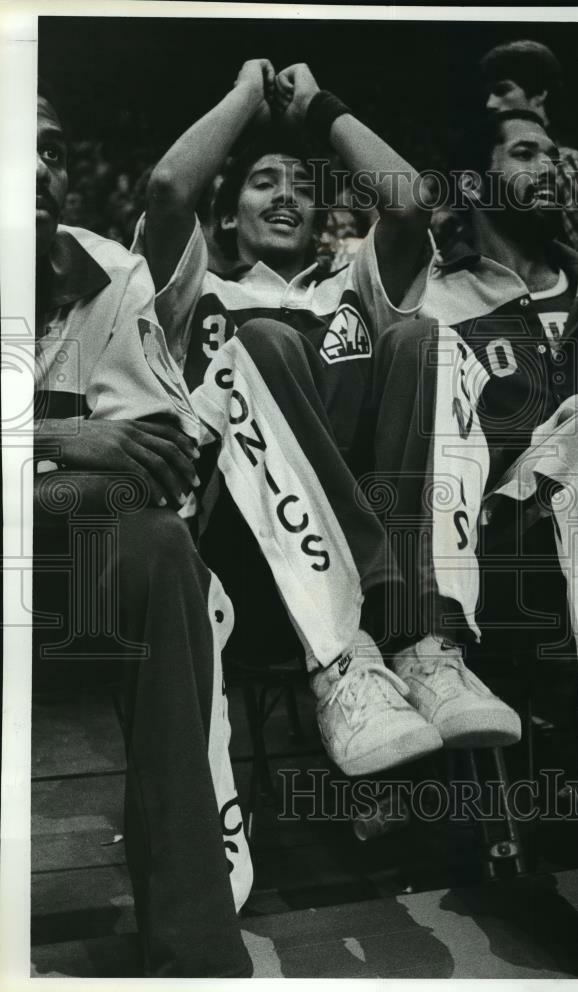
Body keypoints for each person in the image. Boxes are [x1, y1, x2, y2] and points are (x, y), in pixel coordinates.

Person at [134, 60, 521, 770]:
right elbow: (166, 188)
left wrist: (317, 105)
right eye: (263, 182)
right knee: (266, 340)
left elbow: (406, 201)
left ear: (322, 216)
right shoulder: (199, 292)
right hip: (252, 557)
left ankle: (429, 645)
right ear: (225, 213)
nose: (286, 196)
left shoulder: (349, 290)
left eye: (302, 188)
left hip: (393, 572)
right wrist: (248, 94)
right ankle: (342, 652)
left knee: (422, 337)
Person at [34, 83, 254, 977]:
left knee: (160, 542)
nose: (39, 167)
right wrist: (58, 435)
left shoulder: (110, 275)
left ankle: (195, 948)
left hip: (58, 571)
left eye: (47, 148)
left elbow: (149, 468)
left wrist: (83, 467)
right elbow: (93, 450)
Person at [375, 109, 578, 715]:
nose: (549, 168)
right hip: (495, 547)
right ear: (473, 184)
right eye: (525, 154)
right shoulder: (431, 301)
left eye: (553, 154)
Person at [479, 39, 578, 250]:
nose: (490, 103)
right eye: (524, 155)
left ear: (539, 94)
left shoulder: (569, 163)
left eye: (502, 90)